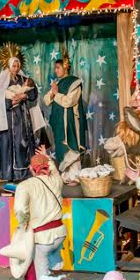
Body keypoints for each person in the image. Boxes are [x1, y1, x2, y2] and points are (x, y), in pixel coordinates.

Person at [7, 146, 79, 280]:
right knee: (49, 261)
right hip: (60, 235)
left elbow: (20, 210)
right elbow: (55, 171)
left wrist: (24, 225)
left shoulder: (25, 186)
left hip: (42, 239)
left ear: (31, 169)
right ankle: (56, 276)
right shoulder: (56, 180)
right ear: (47, 167)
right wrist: (48, 158)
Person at [0, 43, 46, 182]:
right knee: (10, 146)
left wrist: (24, 95)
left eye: (18, 65)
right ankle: (11, 175)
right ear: (8, 66)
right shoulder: (3, 81)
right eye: (14, 66)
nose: (16, 68)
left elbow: (33, 93)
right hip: (9, 119)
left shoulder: (23, 79)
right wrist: (11, 102)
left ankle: (26, 173)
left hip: (23, 118)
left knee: (23, 145)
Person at [43, 56, 87, 185]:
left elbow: (69, 101)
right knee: (62, 148)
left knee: (71, 147)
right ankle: (67, 176)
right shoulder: (58, 83)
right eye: (55, 68)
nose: (55, 70)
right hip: (59, 123)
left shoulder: (74, 83)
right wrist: (53, 93)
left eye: (58, 67)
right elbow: (46, 100)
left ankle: (75, 176)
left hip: (70, 122)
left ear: (65, 67)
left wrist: (56, 94)